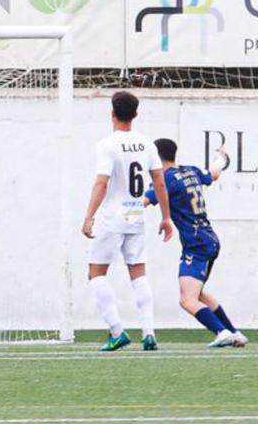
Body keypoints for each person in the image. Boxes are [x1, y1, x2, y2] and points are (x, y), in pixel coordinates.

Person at [81, 91, 173, 352]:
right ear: (136, 114)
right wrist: (166, 217)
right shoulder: (147, 144)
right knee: (138, 273)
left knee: (96, 273)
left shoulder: (107, 144)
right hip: (136, 216)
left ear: (112, 113)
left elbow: (102, 182)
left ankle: (117, 331)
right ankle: (149, 333)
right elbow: (159, 181)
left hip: (112, 218)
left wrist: (89, 216)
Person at [143, 140, 246, 348]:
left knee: (187, 299)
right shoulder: (190, 171)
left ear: (155, 156)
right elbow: (213, 174)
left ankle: (221, 332)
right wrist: (221, 159)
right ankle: (234, 333)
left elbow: (141, 203)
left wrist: (111, 216)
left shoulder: (164, 180)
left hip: (196, 244)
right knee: (197, 294)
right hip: (209, 239)